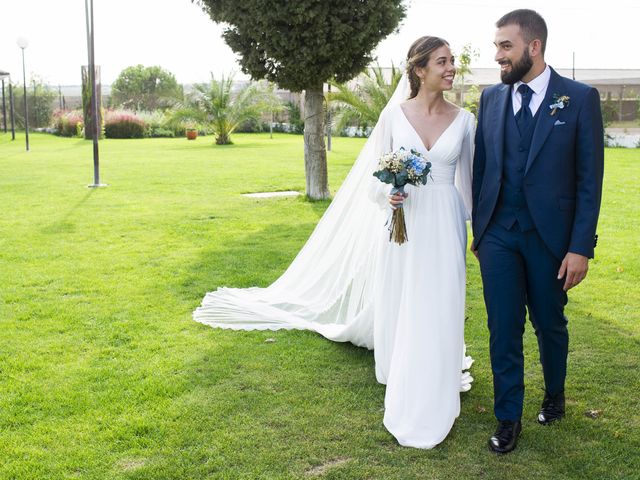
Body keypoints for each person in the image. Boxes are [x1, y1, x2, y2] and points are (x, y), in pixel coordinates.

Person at [194, 36, 475, 449]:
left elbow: (468, 184)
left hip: (445, 222)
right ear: (419, 69)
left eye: (452, 61)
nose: (451, 68)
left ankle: (440, 372)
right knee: (406, 295)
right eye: (443, 61)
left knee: (443, 296)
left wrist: (473, 228)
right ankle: (405, 367)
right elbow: (374, 181)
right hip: (404, 221)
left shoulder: (465, 121)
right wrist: (390, 194)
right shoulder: (393, 117)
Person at [471, 9, 604, 454]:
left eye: (505, 47)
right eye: (496, 47)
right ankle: (508, 418)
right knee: (502, 327)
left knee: (549, 322)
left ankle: (555, 393)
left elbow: (590, 181)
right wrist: (481, 230)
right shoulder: (490, 98)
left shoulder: (579, 98)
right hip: (498, 236)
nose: (497, 56)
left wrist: (580, 247)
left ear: (534, 47)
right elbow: (483, 168)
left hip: (551, 239)